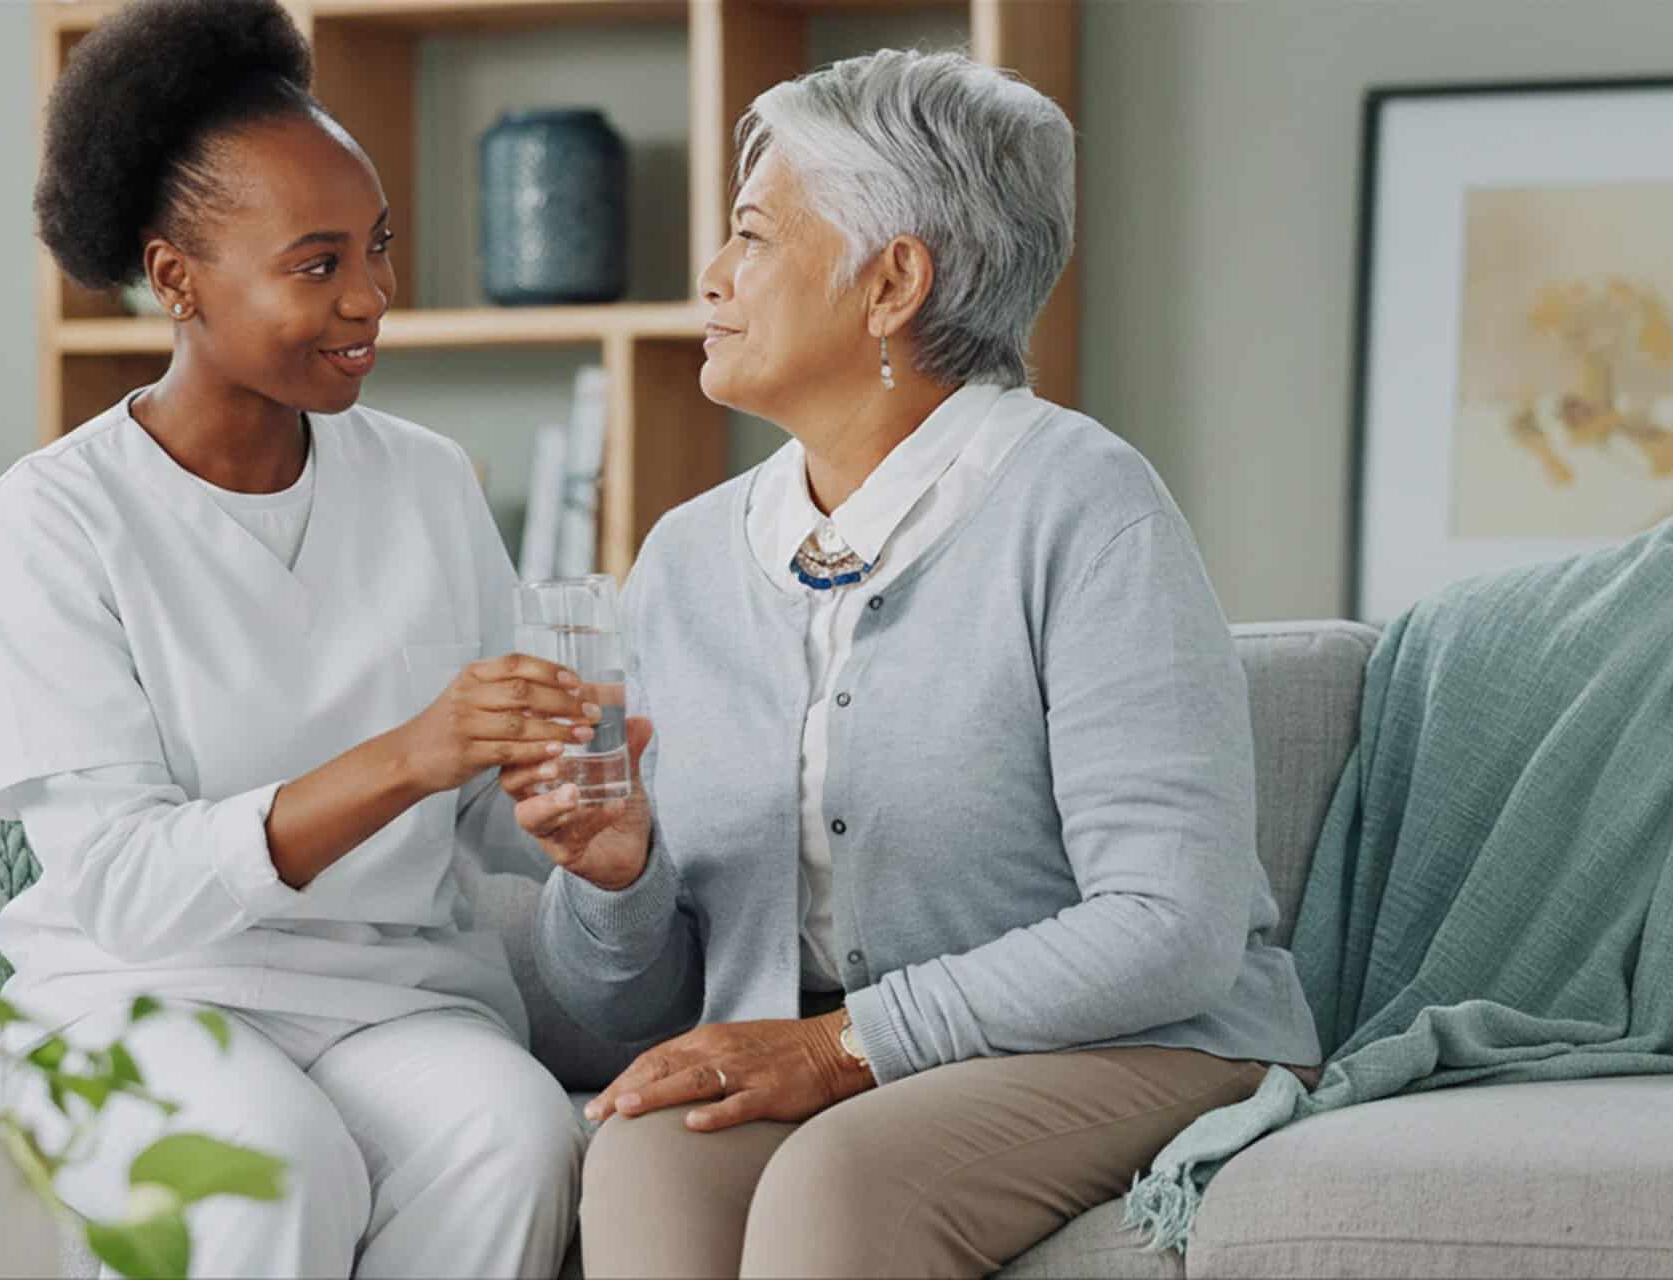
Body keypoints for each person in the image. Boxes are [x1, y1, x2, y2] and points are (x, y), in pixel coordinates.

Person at [508, 49, 1324, 1278]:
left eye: (752, 237)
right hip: (841, 1054)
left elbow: (1172, 924)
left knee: (839, 1179)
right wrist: (618, 876)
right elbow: (628, 1011)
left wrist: (841, 1045)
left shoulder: (1086, 507)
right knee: (646, 1141)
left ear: (892, 281)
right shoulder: (685, 558)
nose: (713, 278)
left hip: (1140, 1042)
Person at [0, 1, 583, 1273]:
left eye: (379, 247)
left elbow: (484, 814)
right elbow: (127, 890)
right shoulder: (49, 521)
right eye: (317, 264)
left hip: (387, 998)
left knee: (518, 1129)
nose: (372, 299)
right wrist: (409, 754)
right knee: (267, 1157)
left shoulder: (425, 481)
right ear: (175, 277)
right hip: (136, 1003)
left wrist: (580, 796)